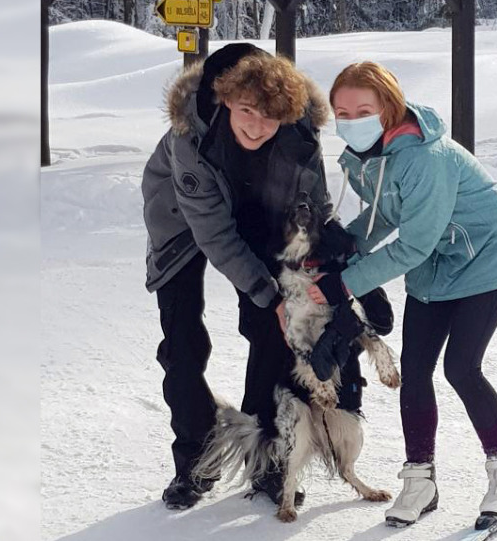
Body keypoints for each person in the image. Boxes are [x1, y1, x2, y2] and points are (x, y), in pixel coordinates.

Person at [308, 61, 497, 528]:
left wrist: (344, 282)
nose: (351, 121)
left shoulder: (425, 158)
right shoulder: (373, 156)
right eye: (342, 113)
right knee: (415, 371)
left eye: (363, 110)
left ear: (388, 107)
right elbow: (390, 213)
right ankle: (420, 478)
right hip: (436, 264)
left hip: (487, 259)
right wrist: (348, 244)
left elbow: (412, 243)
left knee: (461, 368)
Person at [141, 44, 335, 510]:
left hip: (260, 214)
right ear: (226, 100)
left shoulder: (299, 133)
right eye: (246, 111)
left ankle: (266, 459)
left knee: (273, 333)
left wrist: (307, 279)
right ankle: (195, 460)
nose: (256, 125)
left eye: (270, 118)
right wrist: (271, 294)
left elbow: (318, 208)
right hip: (183, 221)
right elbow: (214, 235)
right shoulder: (190, 136)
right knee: (184, 343)